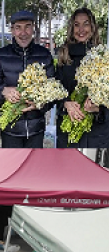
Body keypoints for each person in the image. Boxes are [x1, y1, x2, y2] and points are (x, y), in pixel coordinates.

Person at [0, 10, 55, 148]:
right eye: (18, 27)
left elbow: (53, 91)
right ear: (12, 30)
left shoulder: (44, 55)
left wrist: (41, 104)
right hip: (9, 130)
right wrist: (3, 91)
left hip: (36, 129)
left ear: (33, 29)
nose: (23, 32)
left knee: (33, 168)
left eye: (27, 26)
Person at [56, 8, 108, 148]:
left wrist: (99, 109)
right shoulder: (63, 55)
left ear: (92, 27)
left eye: (85, 24)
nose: (81, 29)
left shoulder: (104, 56)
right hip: (67, 132)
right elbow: (56, 90)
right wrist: (66, 103)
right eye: (76, 25)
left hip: (97, 134)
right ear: (71, 28)